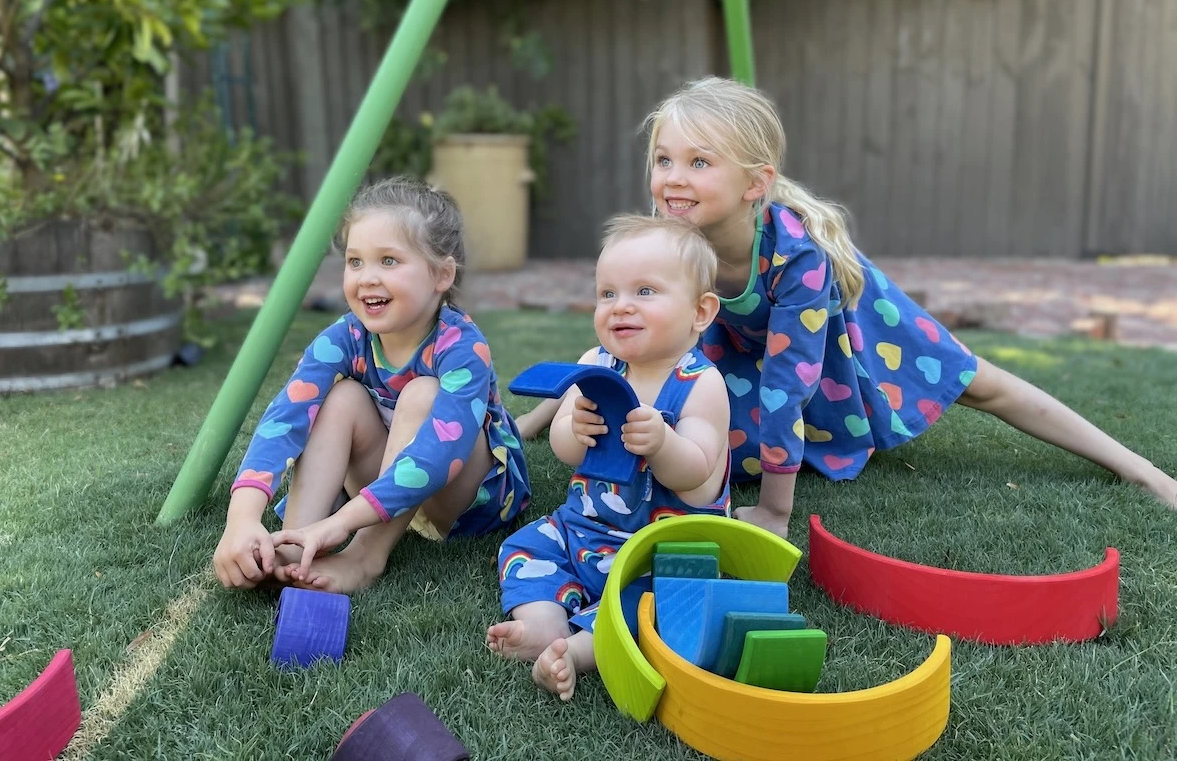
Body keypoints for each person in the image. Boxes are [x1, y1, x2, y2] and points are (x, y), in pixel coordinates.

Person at [520, 76, 1177, 538]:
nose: (672, 178)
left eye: (698, 162)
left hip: (851, 325)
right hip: (737, 349)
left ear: (755, 184)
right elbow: (625, 339)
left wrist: (776, 514)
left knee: (983, 387)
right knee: (688, 413)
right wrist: (535, 425)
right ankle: (527, 427)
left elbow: (787, 390)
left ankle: (1139, 468)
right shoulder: (667, 240)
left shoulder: (799, 259)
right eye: (664, 159)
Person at [212, 176, 531, 594]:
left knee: (421, 394)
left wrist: (341, 524)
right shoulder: (344, 337)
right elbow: (286, 417)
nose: (366, 278)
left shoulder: (462, 348)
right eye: (355, 261)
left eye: (388, 261)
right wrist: (243, 517)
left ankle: (365, 556)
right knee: (339, 397)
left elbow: (438, 455)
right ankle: (294, 544)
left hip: (459, 501)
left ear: (441, 274)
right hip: (382, 486)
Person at [487, 214, 730, 701]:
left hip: (659, 551)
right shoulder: (595, 365)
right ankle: (542, 623)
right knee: (526, 548)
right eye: (607, 293)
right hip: (584, 528)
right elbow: (563, 447)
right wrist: (573, 427)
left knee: (660, 606)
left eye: (645, 292)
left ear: (700, 312)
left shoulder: (700, 384)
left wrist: (664, 444)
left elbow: (699, 474)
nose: (621, 307)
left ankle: (577, 651)